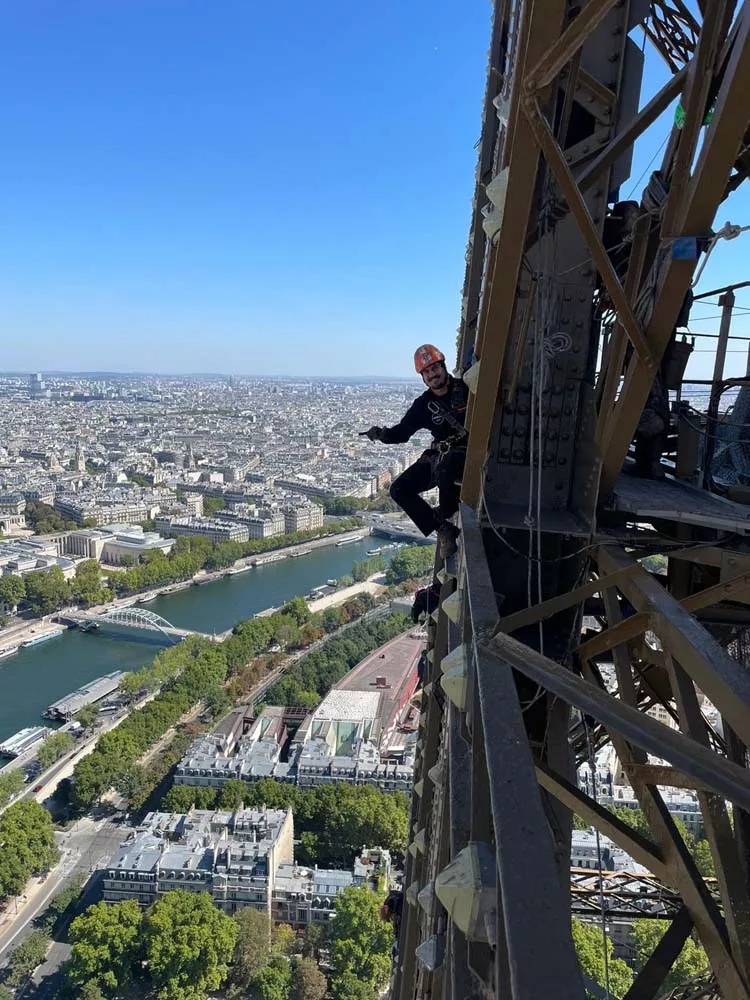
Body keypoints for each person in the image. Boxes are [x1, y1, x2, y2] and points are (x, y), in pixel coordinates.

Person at [361, 345, 468, 557]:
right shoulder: (423, 405)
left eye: (435, 368)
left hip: (467, 452)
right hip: (441, 455)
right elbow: (403, 432)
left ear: (443, 367)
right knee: (398, 489)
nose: (432, 375)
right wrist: (382, 434)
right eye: (427, 372)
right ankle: (443, 529)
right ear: (423, 378)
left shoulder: (466, 387)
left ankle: (446, 513)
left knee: (447, 472)